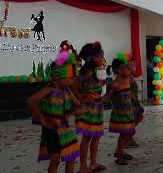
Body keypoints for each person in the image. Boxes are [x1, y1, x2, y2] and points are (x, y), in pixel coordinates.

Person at [27, 48, 87, 173]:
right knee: (55, 159)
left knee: (71, 156)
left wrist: (78, 109)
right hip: (52, 130)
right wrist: (41, 117)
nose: (72, 80)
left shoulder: (68, 91)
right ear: (59, 77)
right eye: (70, 77)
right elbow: (31, 100)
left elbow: (78, 106)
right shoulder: (49, 90)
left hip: (64, 129)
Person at [73, 42, 107, 173]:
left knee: (96, 136)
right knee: (87, 138)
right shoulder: (87, 72)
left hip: (97, 109)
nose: (102, 59)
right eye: (99, 57)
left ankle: (93, 163)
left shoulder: (95, 72)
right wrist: (81, 98)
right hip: (88, 110)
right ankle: (83, 166)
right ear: (93, 58)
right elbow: (73, 86)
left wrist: (101, 97)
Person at [108, 53, 136, 165]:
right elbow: (108, 97)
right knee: (123, 135)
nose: (129, 69)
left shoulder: (127, 80)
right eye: (126, 67)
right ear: (119, 70)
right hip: (121, 114)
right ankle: (119, 156)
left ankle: (120, 151)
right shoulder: (115, 83)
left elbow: (130, 92)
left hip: (128, 112)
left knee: (127, 135)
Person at [127, 58, 144, 148]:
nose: (135, 68)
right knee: (134, 120)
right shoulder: (128, 78)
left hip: (133, 103)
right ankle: (127, 139)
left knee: (138, 118)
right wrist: (136, 103)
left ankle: (129, 138)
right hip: (131, 104)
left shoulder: (131, 77)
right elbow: (129, 93)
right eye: (133, 66)